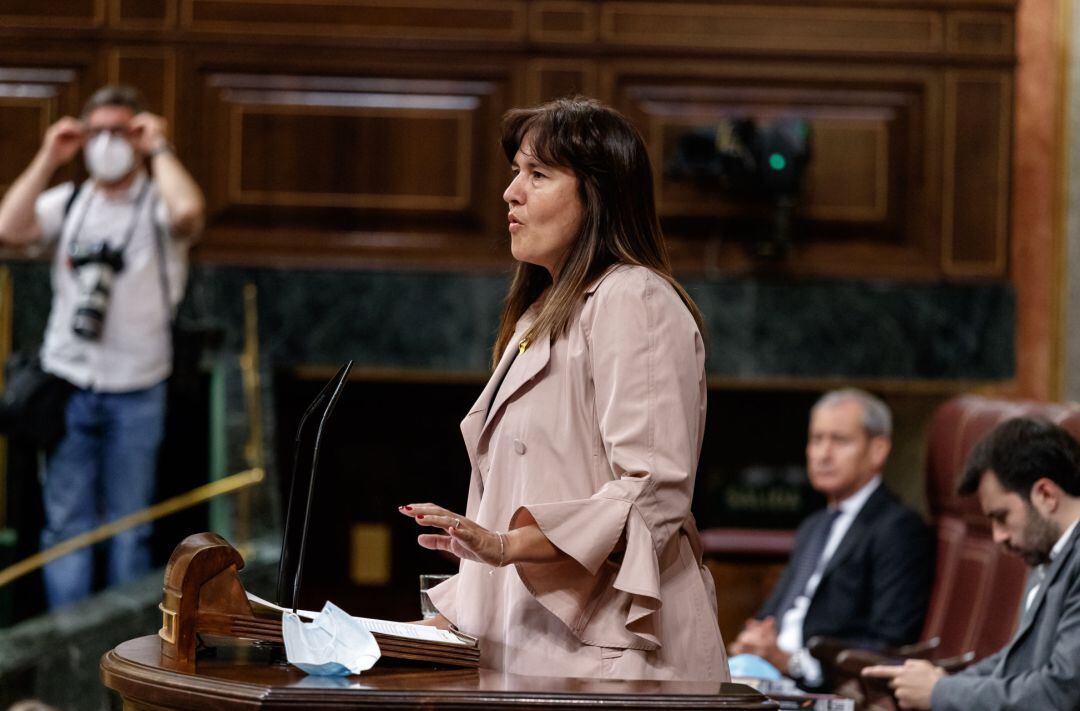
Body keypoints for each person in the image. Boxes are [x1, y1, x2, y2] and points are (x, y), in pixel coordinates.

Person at [397, 97, 727, 681]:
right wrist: (420, 632)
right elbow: (507, 503)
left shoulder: (635, 297)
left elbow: (651, 494)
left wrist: (504, 546)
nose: (511, 192)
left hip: (614, 663)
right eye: (516, 172)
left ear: (597, 195)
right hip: (532, 653)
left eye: (538, 174)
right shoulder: (539, 316)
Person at [0, 85, 205, 608]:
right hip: (68, 383)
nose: (109, 143)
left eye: (122, 131)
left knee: (129, 527)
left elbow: (189, 212)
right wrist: (50, 155)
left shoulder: (158, 205)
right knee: (65, 527)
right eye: (99, 132)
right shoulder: (70, 202)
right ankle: (66, 650)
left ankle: (119, 649)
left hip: (139, 386)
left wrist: (159, 146)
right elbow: (8, 228)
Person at [863, 417, 1080, 710]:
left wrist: (940, 693)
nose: (997, 537)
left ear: (1046, 494)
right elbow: (1016, 664)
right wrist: (938, 683)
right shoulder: (1051, 553)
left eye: (1002, 517)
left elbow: (1060, 694)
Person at [728, 389, 934, 687]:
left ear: (878, 449)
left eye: (839, 440)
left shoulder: (898, 529)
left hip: (822, 689)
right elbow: (772, 615)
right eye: (816, 439)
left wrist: (792, 663)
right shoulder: (815, 525)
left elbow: (890, 644)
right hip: (766, 675)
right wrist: (754, 640)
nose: (823, 454)